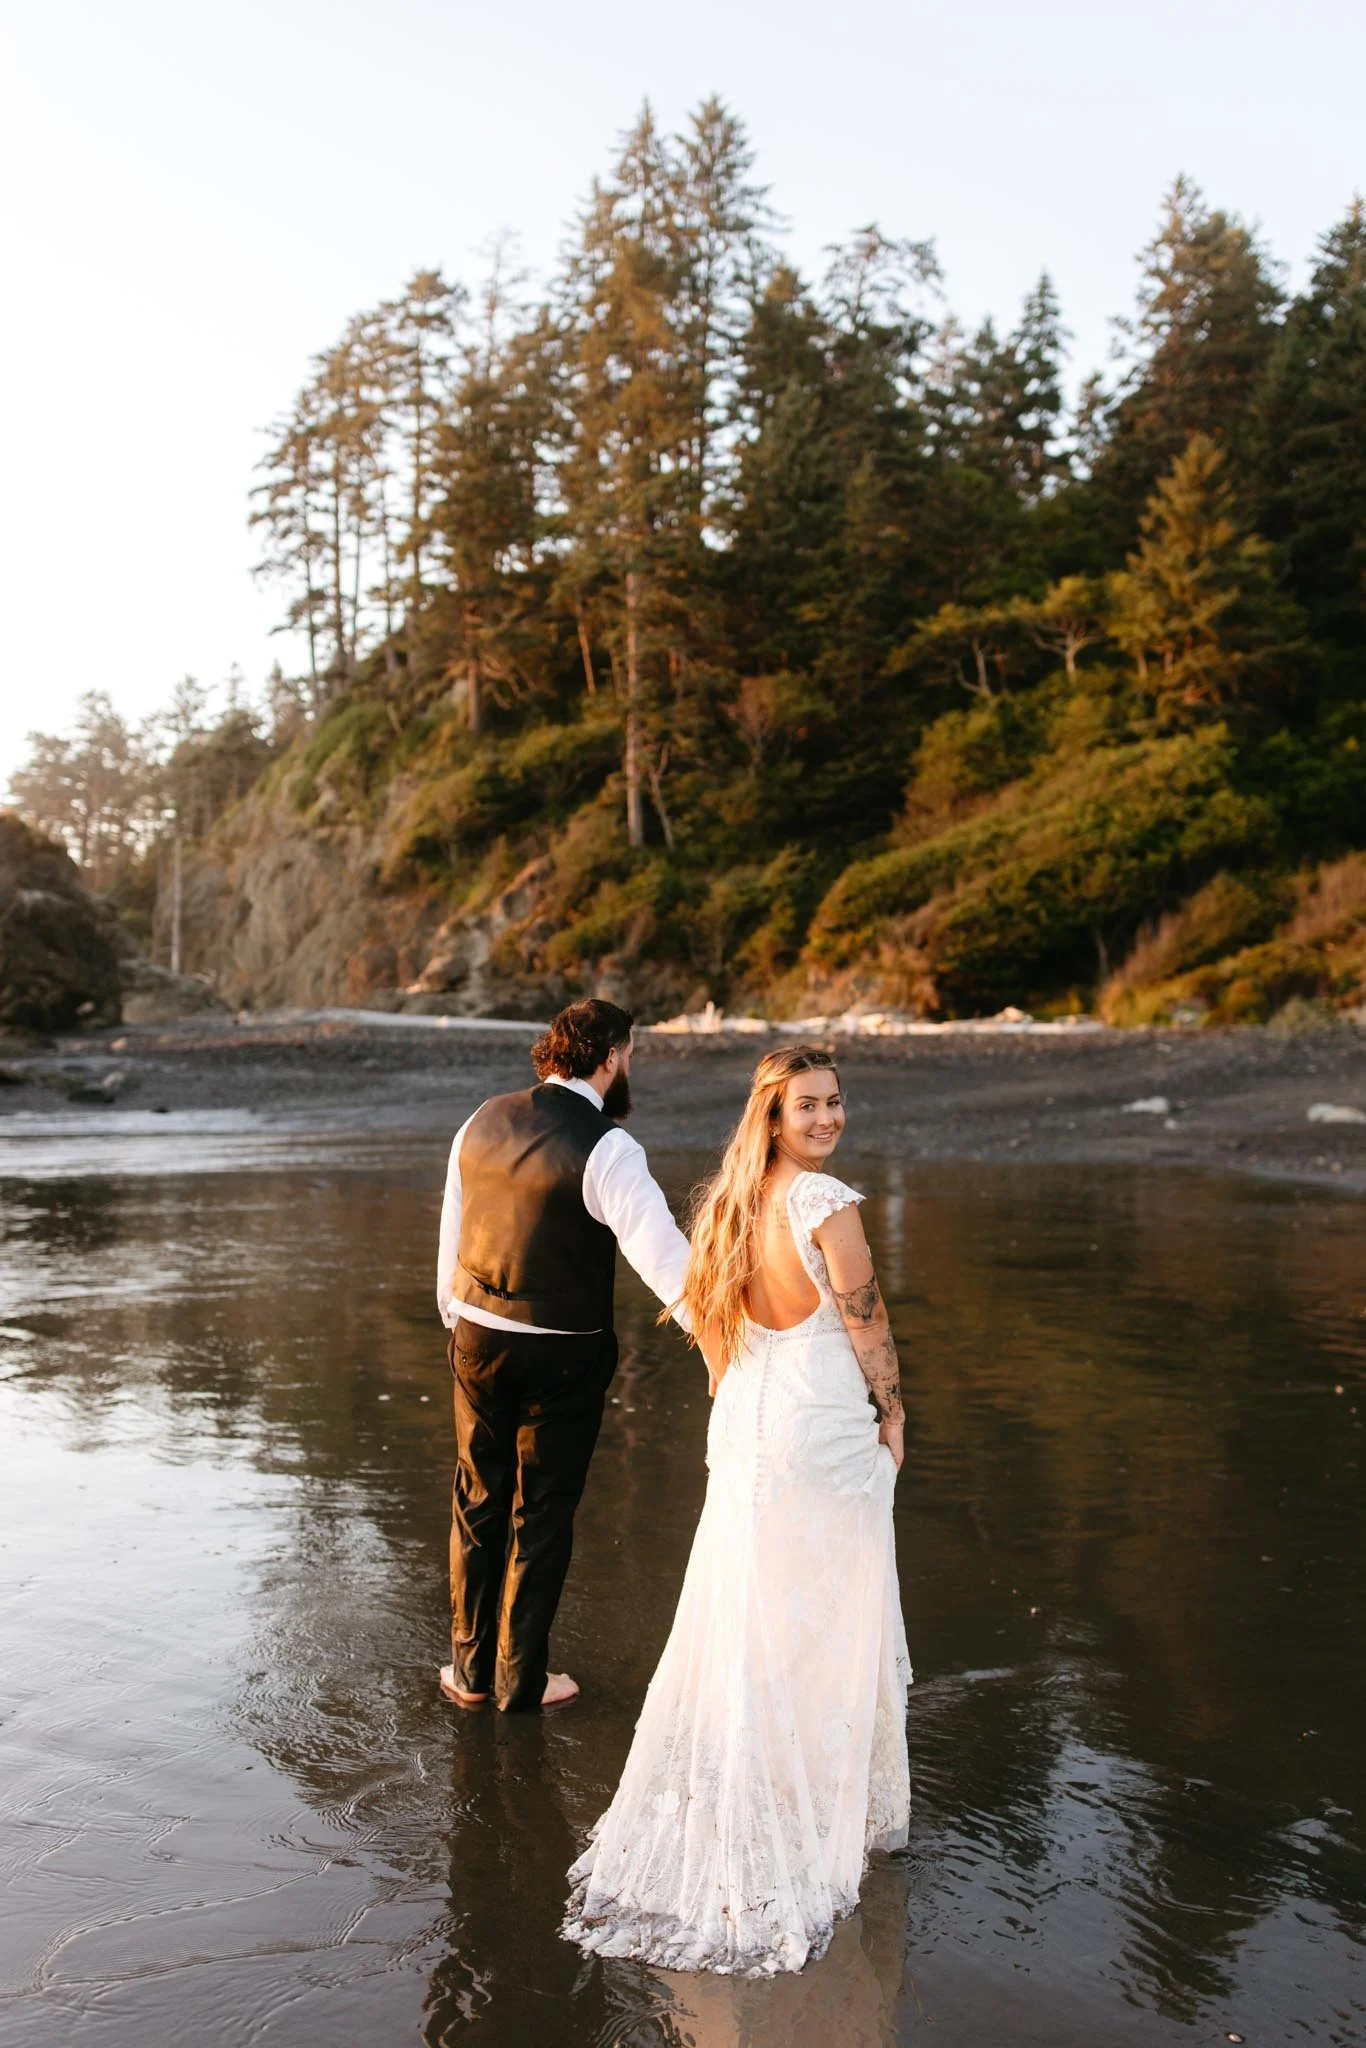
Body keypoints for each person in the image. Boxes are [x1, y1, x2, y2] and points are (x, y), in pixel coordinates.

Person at [562, 1042, 911, 1976]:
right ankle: (813, 1803)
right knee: (827, 1608)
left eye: (836, 1102)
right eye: (808, 1106)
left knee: (752, 1608)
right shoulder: (824, 1206)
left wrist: (730, 1372)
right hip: (817, 1430)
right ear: (773, 1117)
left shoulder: (728, 1204)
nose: (828, 1119)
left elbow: (707, 1315)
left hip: (750, 1426)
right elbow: (865, 1318)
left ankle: (763, 1786)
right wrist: (895, 1407)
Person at [435, 997, 690, 1714]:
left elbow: (454, 1230)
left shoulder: (481, 1118)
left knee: (476, 1497)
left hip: (477, 1337)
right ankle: (521, 1680)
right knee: (541, 1512)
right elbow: (665, 1261)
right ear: (610, 1057)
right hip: (565, 1353)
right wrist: (724, 1340)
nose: (628, 1067)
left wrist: (456, 1315)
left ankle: (467, 1672)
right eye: (629, 1055)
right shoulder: (609, 1146)